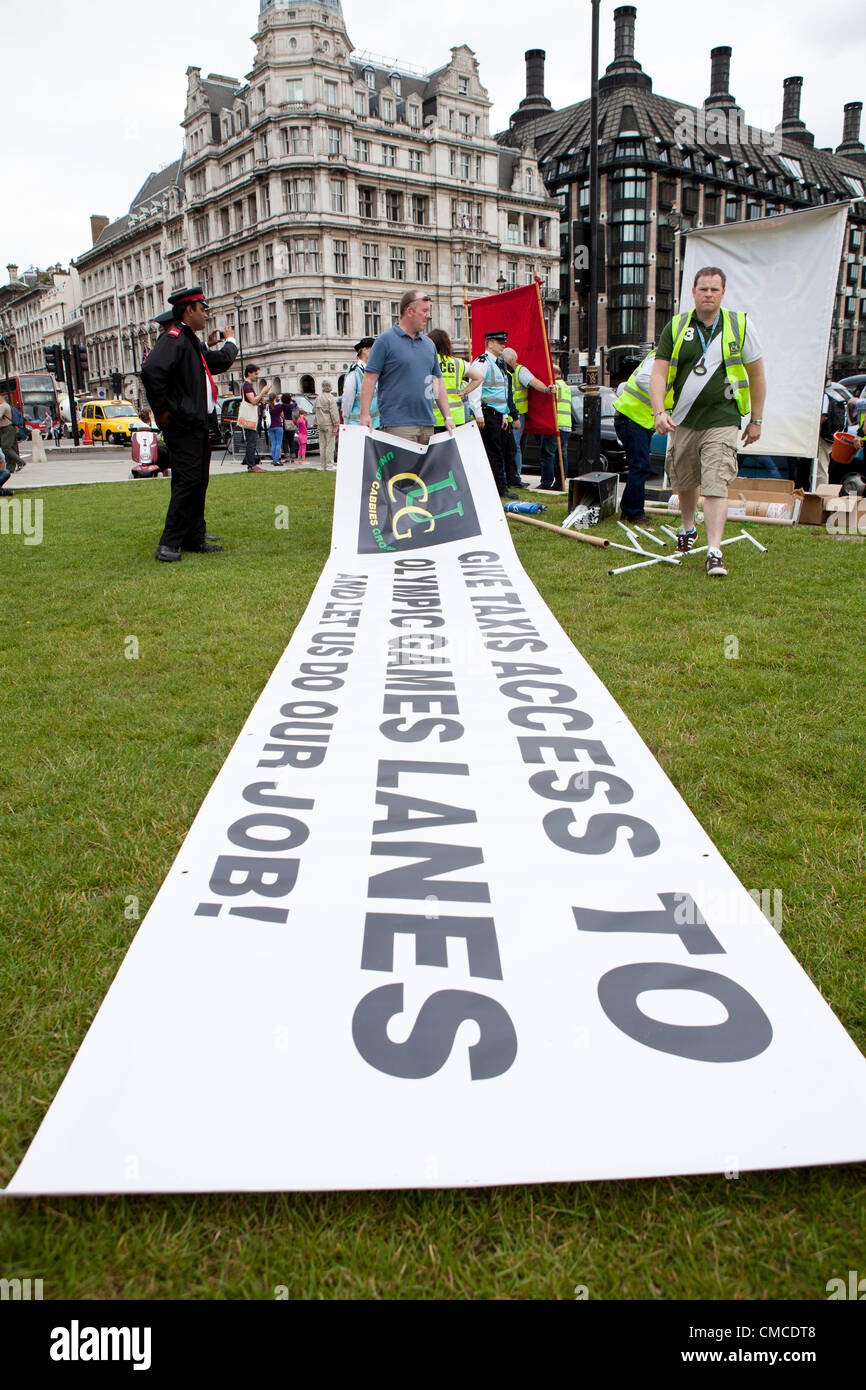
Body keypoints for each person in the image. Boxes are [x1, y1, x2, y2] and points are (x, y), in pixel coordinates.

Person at [650, 265, 766, 577]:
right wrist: (659, 411)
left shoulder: (739, 325)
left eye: (715, 289)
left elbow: (757, 374)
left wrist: (756, 419)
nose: (709, 294)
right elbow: (659, 373)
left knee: (716, 481)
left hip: (723, 418)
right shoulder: (675, 327)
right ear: (694, 292)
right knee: (685, 481)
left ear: (723, 293)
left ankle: (714, 550)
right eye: (703, 289)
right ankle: (688, 529)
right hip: (684, 419)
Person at [140, 285, 238, 562]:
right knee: (187, 481)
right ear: (188, 310)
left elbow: (208, 364)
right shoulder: (173, 338)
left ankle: (193, 536)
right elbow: (151, 371)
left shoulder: (187, 340)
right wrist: (162, 412)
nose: (206, 314)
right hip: (183, 425)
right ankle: (168, 543)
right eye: (202, 309)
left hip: (195, 423)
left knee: (197, 481)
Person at [360, 289, 454, 444]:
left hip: (427, 424)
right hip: (397, 425)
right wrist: (365, 415)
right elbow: (369, 379)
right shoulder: (385, 341)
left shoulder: (429, 345)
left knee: (425, 469)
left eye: (428, 311)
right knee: (402, 469)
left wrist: (447, 417)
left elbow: (436, 382)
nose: (427, 315)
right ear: (409, 311)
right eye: (424, 311)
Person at [468, 329, 514, 498]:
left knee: (498, 452)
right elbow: (475, 388)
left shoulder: (498, 363)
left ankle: (499, 486)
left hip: (498, 414)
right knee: (492, 453)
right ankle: (498, 488)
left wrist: (504, 415)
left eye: (504, 343)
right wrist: (478, 413)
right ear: (490, 343)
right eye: (500, 342)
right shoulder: (482, 362)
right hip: (487, 414)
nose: (503, 346)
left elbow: (502, 392)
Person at [612, 350, 657, 522]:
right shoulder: (660, 357)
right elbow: (643, 380)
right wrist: (659, 401)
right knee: (640, 466)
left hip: (637, 419)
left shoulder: (666, 359)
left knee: (639, 466)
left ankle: (630, 510)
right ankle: (634, 512)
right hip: (631, 418)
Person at [500, 347, 555, 487]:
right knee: (513, 447)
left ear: (511, 360)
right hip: (511, 414)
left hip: (514, 415)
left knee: (514, 447)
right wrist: (545, 390)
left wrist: (545, 389)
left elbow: (533, 381)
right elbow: (533, 382)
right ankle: (512, 477)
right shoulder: (510, 370)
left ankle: (513, 477)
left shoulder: (518, 371)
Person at [427, 328, 485, 434]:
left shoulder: (428, 362)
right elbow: (479, 377)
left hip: (433, 417)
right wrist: (464, 392)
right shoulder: (458, 363)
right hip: (457, 417)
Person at [536, 366, 571, 493]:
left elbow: (550, 391)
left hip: (554, 424)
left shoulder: (556, 385)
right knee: (561, 455)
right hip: (566, 425)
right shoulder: (566, 386)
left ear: (554, 373)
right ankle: (560, 483)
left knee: (547, 454)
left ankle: (546, 483)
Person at [341, 338, 381, 429]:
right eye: (374, 349)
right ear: (364, 349)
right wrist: (346, 422)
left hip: (375, 425)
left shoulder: (374, 371)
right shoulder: (354, 373)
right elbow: (347, 399)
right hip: (358, 426)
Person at [241, 365, 267, 472]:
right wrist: (262, 392)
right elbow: (253, 401)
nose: (257, 376)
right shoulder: (247, 386)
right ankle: (251, 465)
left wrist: (260, 399)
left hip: (251, 416)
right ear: (249, 373)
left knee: (251, 441)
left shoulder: (247, 385)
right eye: (255, 374)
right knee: (251, 442)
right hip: (250, 417)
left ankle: (251, 464)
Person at [314, 382, 339, 468]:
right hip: (329, 423)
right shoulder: (331, 398)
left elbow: (314, 410)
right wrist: (336, 424)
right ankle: (329, 464)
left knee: (322, 445)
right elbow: (334, 413)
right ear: (330, 387)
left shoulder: (318, 398)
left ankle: (323, 464)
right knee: (330, 445)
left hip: (320, 423)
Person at [0, 400, 24, 478]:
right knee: (12, 448)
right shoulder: (7, 405)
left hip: (6, 429)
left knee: (5, 448)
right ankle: (11, 468)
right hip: (11, 428)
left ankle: (20, 462)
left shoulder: (3, 406)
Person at [268, 393, 284, 465]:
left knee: (273, 443)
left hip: (270, 426)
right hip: (278, 425)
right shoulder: (279, 406)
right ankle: (276, 460)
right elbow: (282, 415)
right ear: (275, 398)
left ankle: (274, 459)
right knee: (278, 443)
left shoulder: (268, 406)